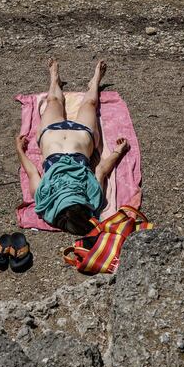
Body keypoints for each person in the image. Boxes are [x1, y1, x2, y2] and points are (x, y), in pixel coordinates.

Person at [16, 58, 130, 235]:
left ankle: (54, 79)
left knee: (53, 100)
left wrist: (19, 150)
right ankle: (94, 82)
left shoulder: (43, 199)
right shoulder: (92, 199)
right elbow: (100, 170)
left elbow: (31, 171)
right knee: (90, 103)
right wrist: (117, 152)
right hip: (82, 139)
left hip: (50, 136)